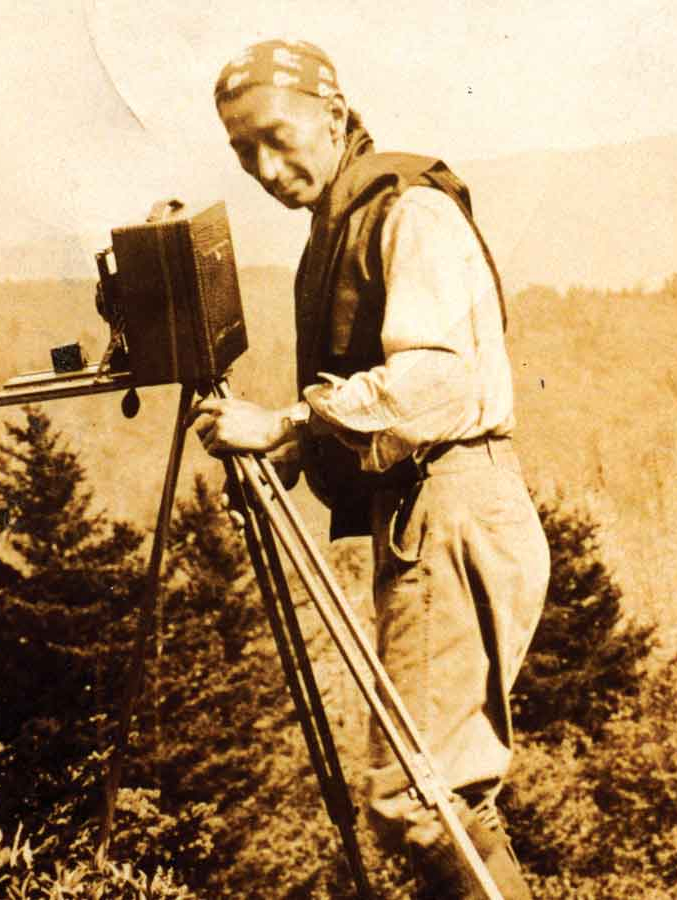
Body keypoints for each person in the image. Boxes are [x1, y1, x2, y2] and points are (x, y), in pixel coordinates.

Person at [192, 38, 549, 899]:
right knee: (446, 794)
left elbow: (437, 383)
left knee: (415, 799)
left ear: (336, 117)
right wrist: (299, 443)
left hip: (451, 503)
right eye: (245, 152)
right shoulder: (343, 222)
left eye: (279, 138)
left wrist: (287, 417)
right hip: (437, 508)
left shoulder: (406, 211)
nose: (268, 168)